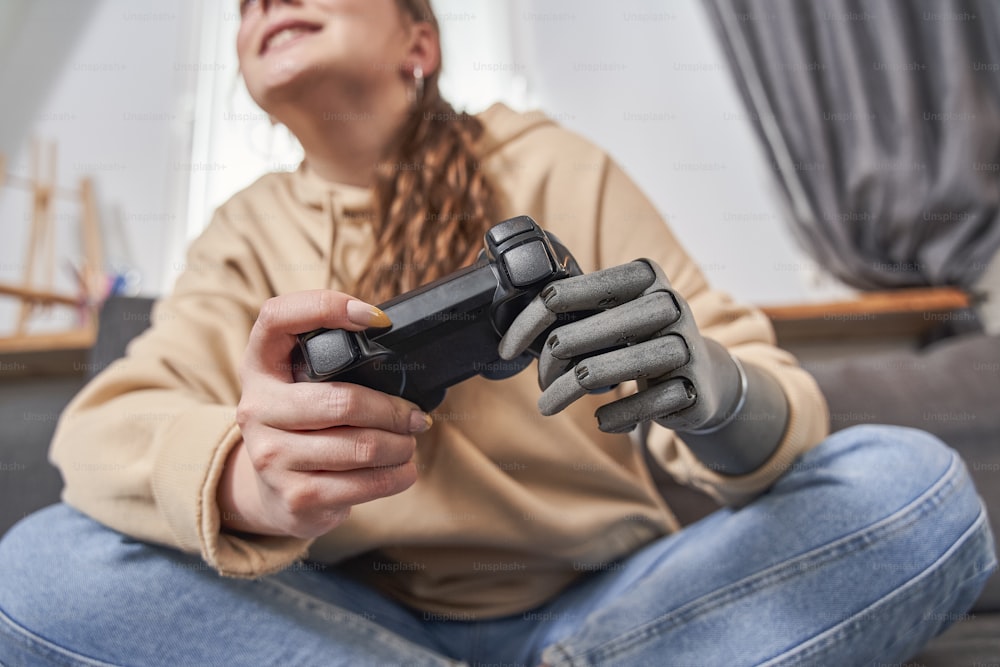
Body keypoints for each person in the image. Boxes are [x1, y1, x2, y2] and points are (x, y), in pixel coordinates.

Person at [0, 1, 994, 665]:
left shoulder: (557, 168)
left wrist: (718, 389)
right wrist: (244, 483)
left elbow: (765, 412)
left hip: (610, 604)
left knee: (918, 490)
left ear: (417, 42)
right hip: (351, 622)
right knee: (36, 572)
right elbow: (103, 431)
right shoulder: (242, 235)